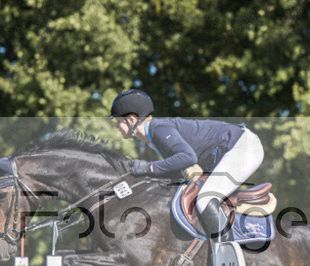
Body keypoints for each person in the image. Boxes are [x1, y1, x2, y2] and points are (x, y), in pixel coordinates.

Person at [110, 88, 264, 242]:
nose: (117, 127)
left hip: (243, 147)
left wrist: (148, 167)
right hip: (233, 148)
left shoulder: (159, 129)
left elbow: (188, 157)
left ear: (131, 119)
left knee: (205, 199)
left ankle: (228, 257)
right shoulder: (154, 137)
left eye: (118, 121)